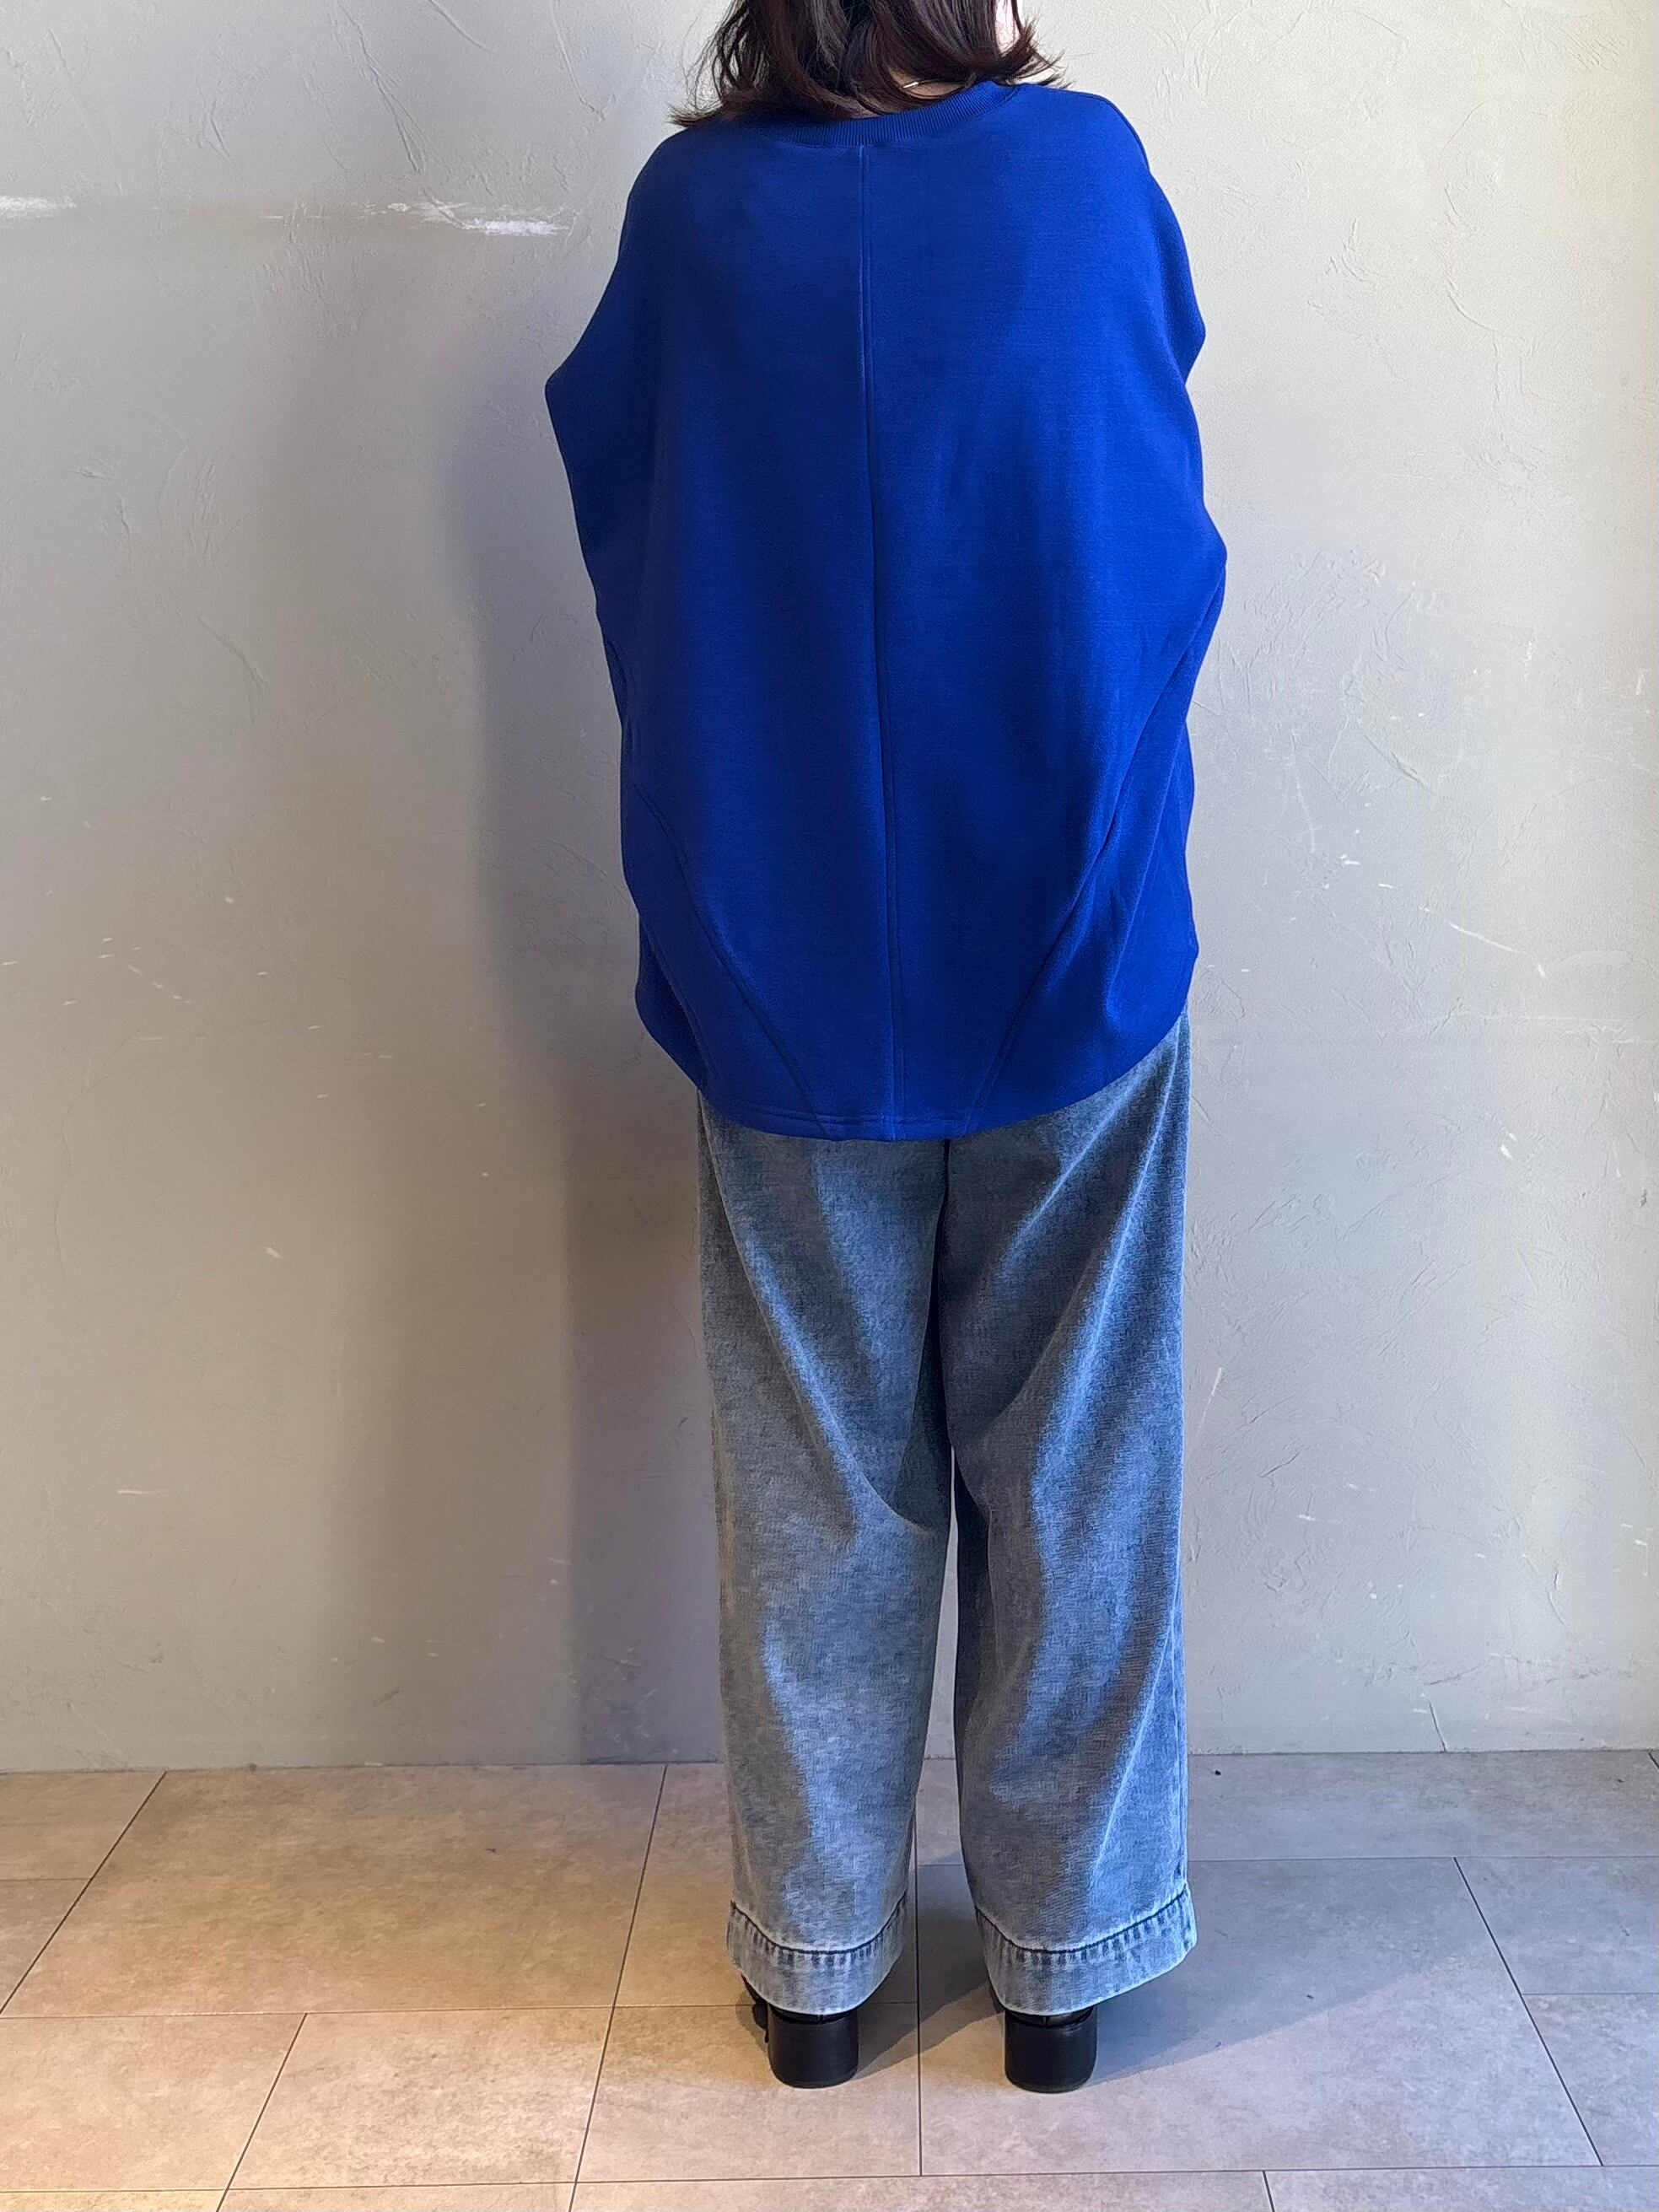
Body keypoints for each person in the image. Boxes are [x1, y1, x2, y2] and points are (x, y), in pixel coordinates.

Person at [544, 0, 1225, 2096]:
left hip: (785, 950)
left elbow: (633, 522)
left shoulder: (696, 213)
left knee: (812, 1479)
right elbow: (1151, 485)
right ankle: (1061, 1973)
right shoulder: (1081, 174)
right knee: (1076, 1465)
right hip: (1069, 926)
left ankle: (821, 1971)